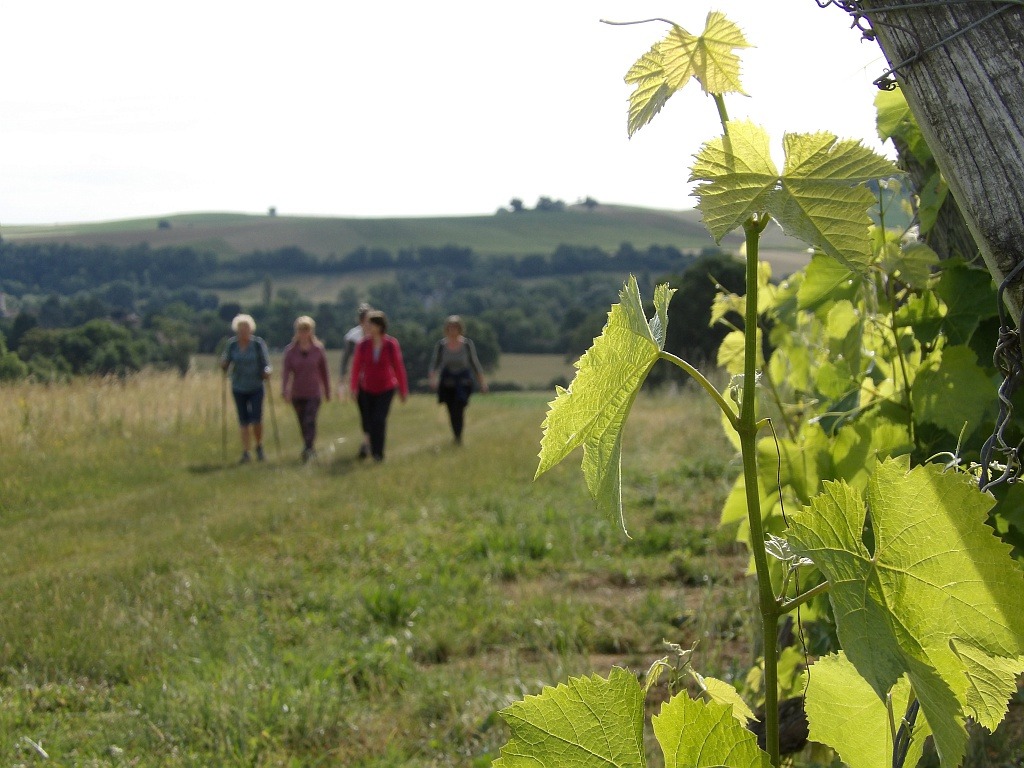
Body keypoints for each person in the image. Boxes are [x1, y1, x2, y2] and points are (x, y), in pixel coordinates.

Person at [348, 311, 408, 462]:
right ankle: (373, 450)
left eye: (370, 324)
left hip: (386, 388)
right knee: (368, 421)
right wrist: (354, 387)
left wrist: (403, 389)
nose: (367, 327)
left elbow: (398, 367)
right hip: (366, 388)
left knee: (379, 419)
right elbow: (356, 367)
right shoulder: (362, 345)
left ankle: (378, 454)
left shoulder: (390, 344)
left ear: (379, 326)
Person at [428, 315, 488, 444]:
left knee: (458, 407)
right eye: (450, 328)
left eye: (455, 327)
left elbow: (474, 363)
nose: (453, 330)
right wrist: (433, 379)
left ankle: (458, 436)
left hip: (463, 381)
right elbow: (435, 364)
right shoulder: (441, 345)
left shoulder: (466, 344)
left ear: (460, 329)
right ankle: (456, 435)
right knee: (451, 409)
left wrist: (482, 382)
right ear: (446, 329)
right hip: (447, 381)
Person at [220, 313, 272, 463]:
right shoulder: (232, 345)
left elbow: (266, 362)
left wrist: (267, 371)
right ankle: (246, 452)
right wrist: (223, 364)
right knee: (243, 421)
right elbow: (226, 360)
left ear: (251, 329)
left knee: (256, 419)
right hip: (238, 387)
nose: (243, 332)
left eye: (246, 328)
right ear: (236, 330)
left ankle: (259, 446)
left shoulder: (257, 344)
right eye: (241, 329)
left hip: (256, 386)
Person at [281, 315, 331, 462]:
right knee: (302, 422)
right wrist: (285, 389)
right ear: (296, 332)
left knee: (310, 420)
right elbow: (285, 372)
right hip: (298, 392)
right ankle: (308, 446)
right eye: (301, 330)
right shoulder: (290, 351)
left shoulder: (318, 349)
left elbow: (324, 371)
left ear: (311, 331)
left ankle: (308, 448)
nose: (303, 333)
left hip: (313, 392)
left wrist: (327, 390)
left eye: (306, 330)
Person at [339, 303, 373, 458]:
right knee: (365, 412)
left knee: (376, 414)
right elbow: (345, 360)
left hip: (377, 379)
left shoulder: (378, 335)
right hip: (360, 380)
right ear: (361, 321)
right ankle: (368, 441)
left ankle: (369, 442)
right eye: (367, 320)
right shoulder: (352, 338)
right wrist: (342, 380)